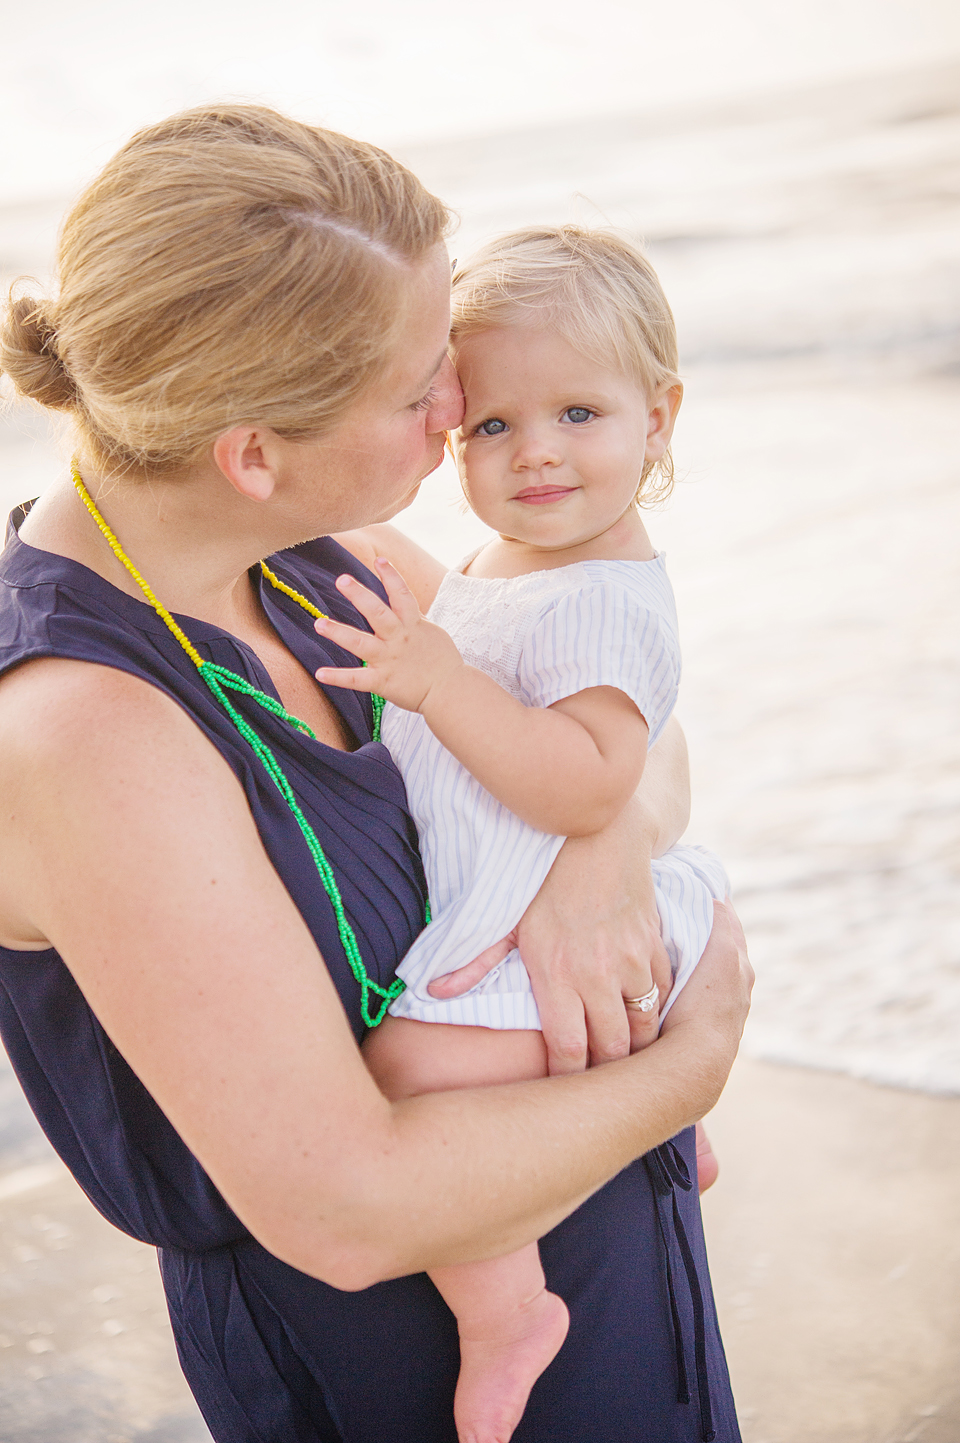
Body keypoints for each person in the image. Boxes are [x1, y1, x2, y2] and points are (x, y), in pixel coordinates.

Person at [0, 105, 752, 1443]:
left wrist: (596, 851)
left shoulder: (307, 553)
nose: (463, 412)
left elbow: (641, 741)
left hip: (598, 1244)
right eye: (422, 392)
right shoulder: (80, 731)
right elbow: (342, 1205)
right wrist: (687, 1066)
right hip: (398, 1370)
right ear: (251, 450)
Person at [313, 226, 730, 1443]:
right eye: (492, 426)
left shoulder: (600, 592)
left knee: (413, 1078)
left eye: (579, 414)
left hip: (548, 886)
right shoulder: (526, 557)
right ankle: (668, 1123)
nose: (535, 451)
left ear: (660, 415)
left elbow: (598, 780)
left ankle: (507, 1312)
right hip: (529, 877)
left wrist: (439, 684)